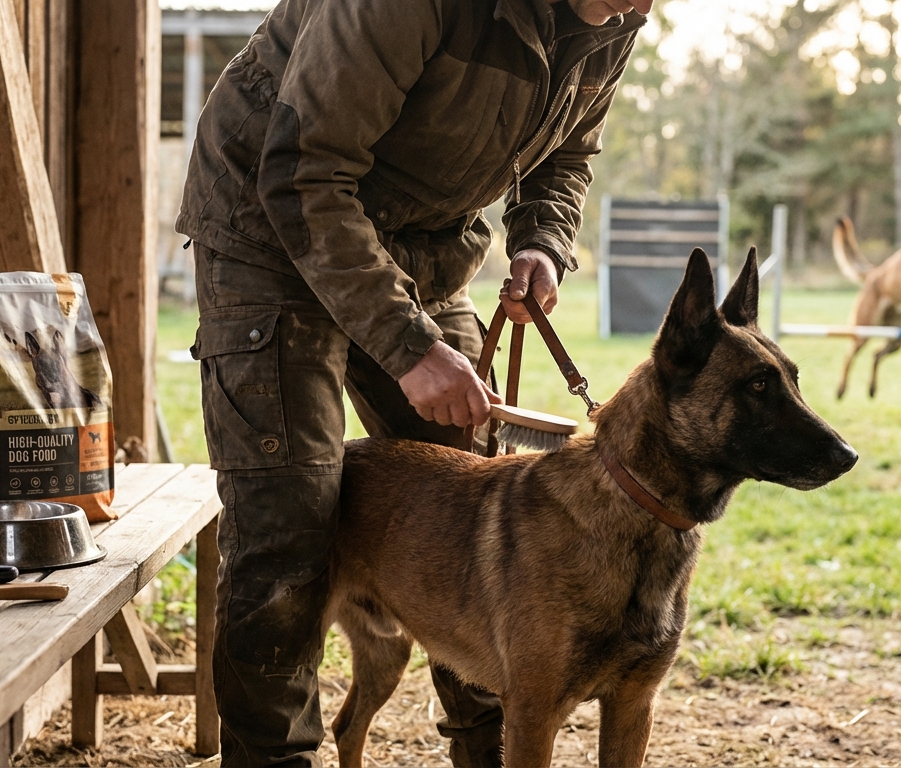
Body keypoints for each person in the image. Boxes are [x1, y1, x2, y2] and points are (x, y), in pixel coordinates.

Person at [176, 0, 652, 764]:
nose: (635, 7)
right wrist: (407, 348)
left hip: (424, 245)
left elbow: (569, 153)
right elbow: (303, 171)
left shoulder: (616, 14)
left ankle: (488, 755)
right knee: (289, 524)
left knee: (479, 510)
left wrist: (541, 242)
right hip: (273, 230)